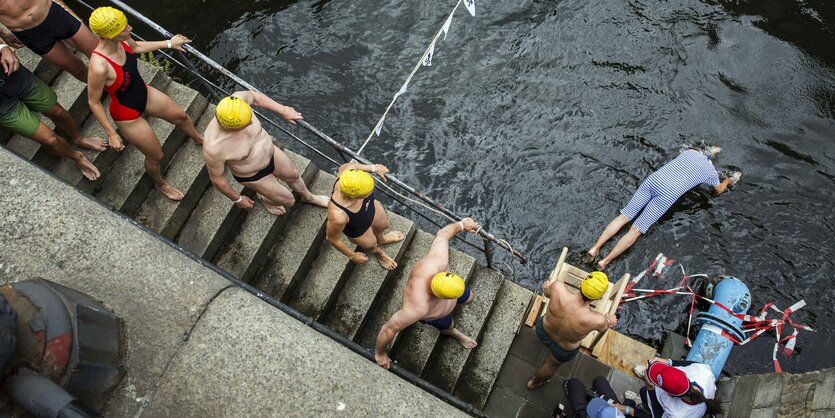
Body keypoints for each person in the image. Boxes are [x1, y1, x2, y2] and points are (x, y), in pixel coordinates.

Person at [86, 7, 203, 201]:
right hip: (126, 112)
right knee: (156, 156)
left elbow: (137, 47)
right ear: (110, 36)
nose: (130, 27)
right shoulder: (99, 66)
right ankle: (160, 183)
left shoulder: (122, 39)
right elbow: (93, 101)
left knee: (181, 116)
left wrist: (168, 43)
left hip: (143, 92)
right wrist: (111, 133)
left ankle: (198, 138)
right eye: (125, 28)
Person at [586, 146, 741, 270]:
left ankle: (594, 249)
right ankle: (605, 261)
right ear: (712, 160)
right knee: (635, 230)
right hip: (667, 193)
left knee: (624, 217)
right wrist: (727, 179)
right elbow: (719, 189)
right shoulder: (710, 171)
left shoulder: (690, 152)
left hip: (653, 181)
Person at [374, 218, 480, 369]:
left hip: (453, 288)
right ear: (440, 296)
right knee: (448, 325)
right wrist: (379, 353)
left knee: (469, 297)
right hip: (436, 315)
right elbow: (389, 328)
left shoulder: (437, 262)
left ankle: (461, 298)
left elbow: (443, 235)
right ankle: (453, 333)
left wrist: (462, 225)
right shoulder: (417, 308)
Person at [202, 92, 328, 214]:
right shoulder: (214, 147)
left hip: (271, 154)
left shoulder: (237, 101)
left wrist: (283, 110)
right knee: (288, 201)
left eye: (249, 119)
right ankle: (265, 198)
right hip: (253, 175)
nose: (251, 123)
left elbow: (255, 97)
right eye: (245, 124)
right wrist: (238, 199)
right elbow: (217, 179)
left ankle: (309, 197)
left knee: (294, 175)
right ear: (226, 126)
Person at [1, 43, 102, 180]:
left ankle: (78, 138)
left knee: (57, 111)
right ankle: (76, 156)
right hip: (3, 106)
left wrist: (3, 47)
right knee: (50, 140)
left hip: (13, 76)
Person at [527, 271, 617, 389]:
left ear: (581, 284)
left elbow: (547, 292)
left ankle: (534, 381)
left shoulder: (558, 288)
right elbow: (603, 329)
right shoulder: (598, 320)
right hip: (563, 349)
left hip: (543, 330)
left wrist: (546, 286)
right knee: (550, 365)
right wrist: (609, 321)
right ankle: (533, 383)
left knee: (547, 342)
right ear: (599, 297)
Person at [326, 163, 406, 270]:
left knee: (384, 225)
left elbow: (350, 165)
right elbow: (332, 239)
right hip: (357, 226)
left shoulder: (348, 172)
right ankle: (379, 253)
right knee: (371, 245)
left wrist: (374, 168)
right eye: (366, 194)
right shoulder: (337, 215)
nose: (370, 193)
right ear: (353, 196)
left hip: (370, 207)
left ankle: (382, 239)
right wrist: (352, 255)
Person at [0, 0, 98, 82]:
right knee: (76, 69)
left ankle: (112, 82)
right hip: (27, 32)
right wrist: (3, 35)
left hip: (51, 11)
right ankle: (108, 89)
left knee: (98, 53)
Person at [632, 357, 721, 418]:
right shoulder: (704, 372)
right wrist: (668, 362)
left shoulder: (677, 414)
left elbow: (658, 415)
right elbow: (692, 364)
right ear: (683, 373)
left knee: (643, 392)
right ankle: (648, 376)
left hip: (661, 407)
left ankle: (641, 403)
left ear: (669, 395)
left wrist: (651, 389)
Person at [564, 376, 648, 418]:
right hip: (617, 410)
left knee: (573, 383)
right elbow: (633, 412)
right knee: (600, 381)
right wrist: (621, 407)